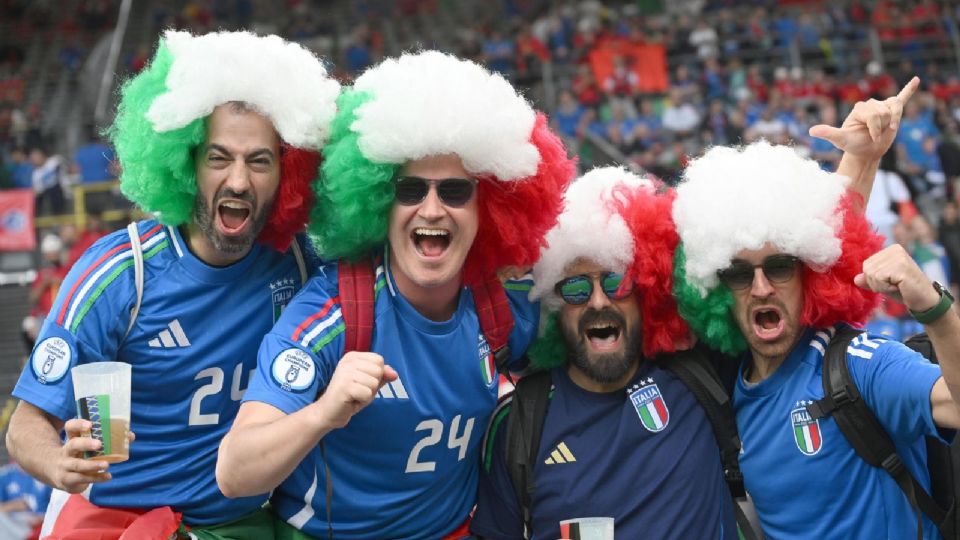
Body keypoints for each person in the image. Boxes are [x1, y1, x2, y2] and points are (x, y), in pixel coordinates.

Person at [216, 50, 574, 539]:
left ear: (487, 209)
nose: (431, 210)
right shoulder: (333, 316)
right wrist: (324, 413)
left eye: (453, 192)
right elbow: (235, 472)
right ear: (379, 204)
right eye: (409, 191)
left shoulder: (503, 308)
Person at [5, 29, 340, 538]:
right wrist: (60, 464)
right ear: (184, 162)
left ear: (289, 171)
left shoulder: (300, 263)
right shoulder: (121, 273)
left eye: (260, 160)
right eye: (218, 157)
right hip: (118, 517)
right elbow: (26, 425)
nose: (239, 180)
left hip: (238, 521)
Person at [671, 87, 960, 539]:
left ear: (810, 275)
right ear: (717, 289)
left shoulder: (860, 364)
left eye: (781, 267)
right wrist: (861, 160)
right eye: (740, 274)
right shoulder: (723, 381)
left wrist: (935, 310)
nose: (762, 287)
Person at [471, 166, 737, 539]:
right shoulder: (519, 422)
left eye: (617, 282)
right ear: (553, 307)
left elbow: (780, 281)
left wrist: (852, 168)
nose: (598, 301)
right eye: (576, 289)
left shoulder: (700, 376)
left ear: (646, 290)